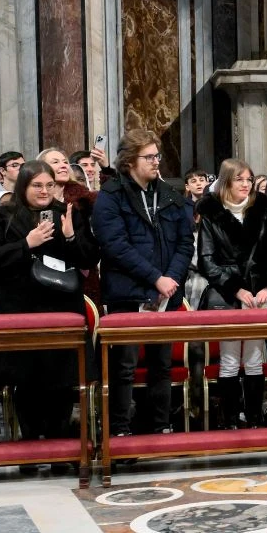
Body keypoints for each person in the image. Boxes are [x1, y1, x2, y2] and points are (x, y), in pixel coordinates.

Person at [0, 162, 98, 442]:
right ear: (23, 186)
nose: (44, 191)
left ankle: (60, 445)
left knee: (60, 381)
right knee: (27, 381)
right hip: (21, 308)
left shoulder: (67, 213)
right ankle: (31, 443)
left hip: (61, 307)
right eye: (37, 185)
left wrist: (70, 236)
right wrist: (27, 244)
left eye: (49, 185)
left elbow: (88, 259)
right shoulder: (5, 215)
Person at [93, 131, 194, 436]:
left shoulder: (170, 195)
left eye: (157, 156)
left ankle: (159, 426)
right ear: (129, 161)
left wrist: (171, 279)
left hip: (165, 295)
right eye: (148, 157)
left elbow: (184, 243)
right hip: (128, 293)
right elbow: (115, 245)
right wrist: (156, 278)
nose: (155, 162)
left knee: (160, 366)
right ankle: (120, 430)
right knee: (123, 367)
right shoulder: (111, 195)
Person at [195, 159, 267, 428]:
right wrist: (236, 287)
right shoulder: (212, 215)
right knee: (231, 359)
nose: (246, 185)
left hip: (259, 294)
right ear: (226, 183)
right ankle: (230, 419)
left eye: (249, 179)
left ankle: (255, 417)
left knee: (256, 357)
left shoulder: (262, 211)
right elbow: (207, 260)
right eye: (239, 180)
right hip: (228, 296)